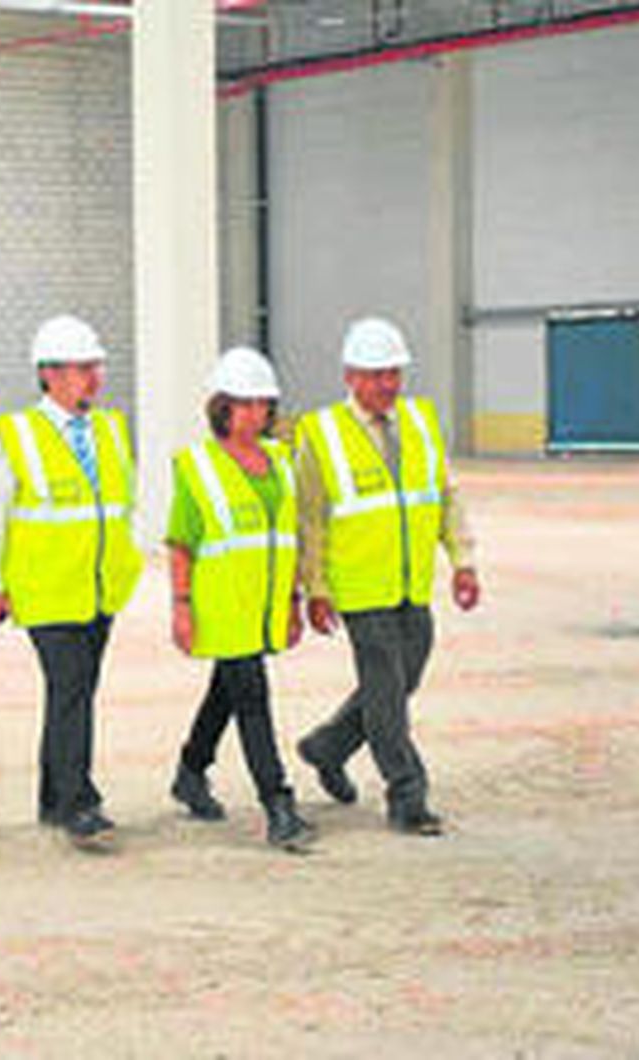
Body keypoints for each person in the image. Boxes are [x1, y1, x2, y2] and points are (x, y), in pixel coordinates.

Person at [292, 317, 480, 836]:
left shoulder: (419, 422)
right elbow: (310, 517)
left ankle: (326, 747)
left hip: (411, 583)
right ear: (350, 376)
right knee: (385, 688)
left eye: (394, 373)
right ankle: (407, 794)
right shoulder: (321, 432)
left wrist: (462, 561)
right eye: (376, 375)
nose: (388, 385)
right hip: (358, 588)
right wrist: (317, 588)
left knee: (402, 681)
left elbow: (444, 495)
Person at [0, 315, 143, 850]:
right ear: (48, 374)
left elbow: (121, 504)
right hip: (46, 591)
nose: (93, 377)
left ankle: (53, 796)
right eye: (81, 368)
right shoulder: (17, 435)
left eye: (96, 367)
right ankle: (78, 802)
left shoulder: (109, 429)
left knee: (74, 692)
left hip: (100, 588)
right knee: (71, 688)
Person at [165, 347, 314, 851]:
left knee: (226, 694)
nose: (255, 414)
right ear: (221, 407)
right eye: (244, 404)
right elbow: (181, 543)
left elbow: (290, 535)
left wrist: (293, 601)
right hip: (221, 604)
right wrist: (181, 606)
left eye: (263, 404)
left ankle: (190, 771)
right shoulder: (197, 467)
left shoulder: (280, 461)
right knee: (251, 697)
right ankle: (279, 804)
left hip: (267, 605)